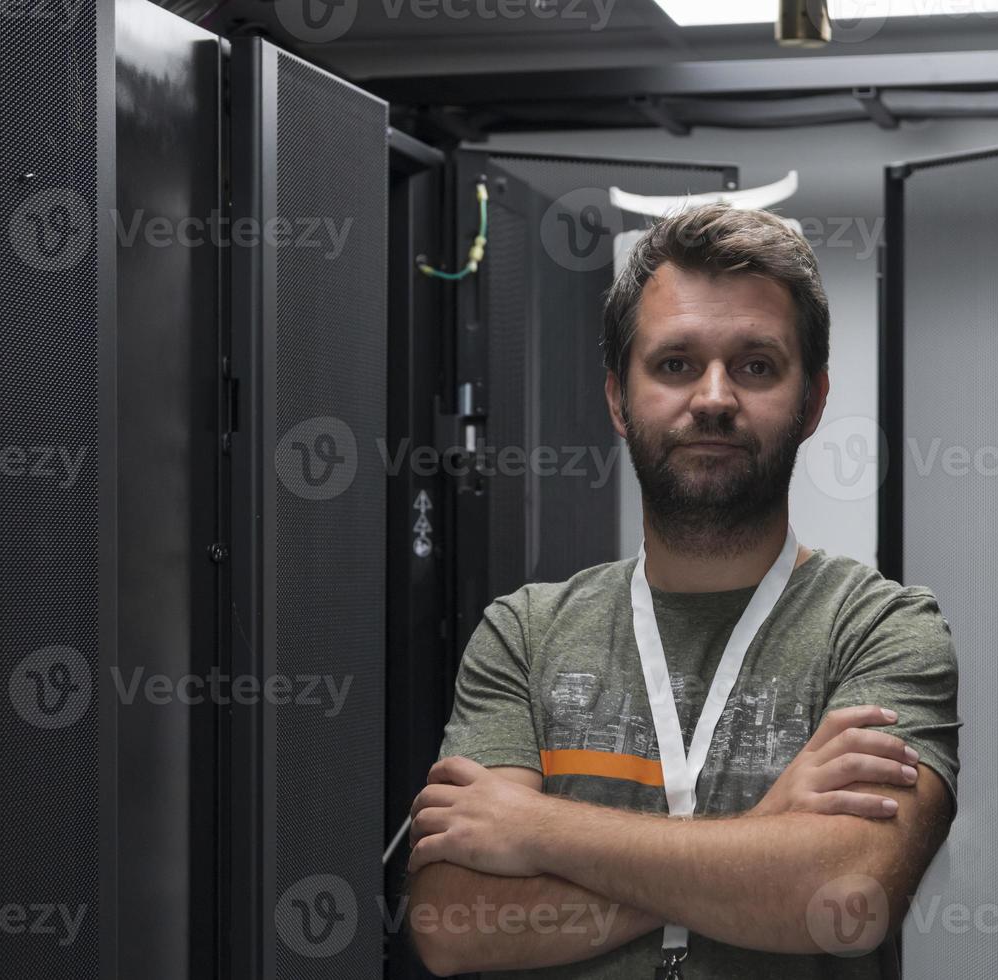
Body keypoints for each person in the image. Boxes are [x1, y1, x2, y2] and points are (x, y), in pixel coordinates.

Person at [406, 202, 960, 978]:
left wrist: (535, 830)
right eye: (674, 364)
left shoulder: (880, 630)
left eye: (756, 366)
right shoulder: (523, 635)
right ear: (617, 400)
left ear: (814, 401)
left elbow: (845, 901)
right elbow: (451, 927)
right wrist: (765, 836)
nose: (713, 397)